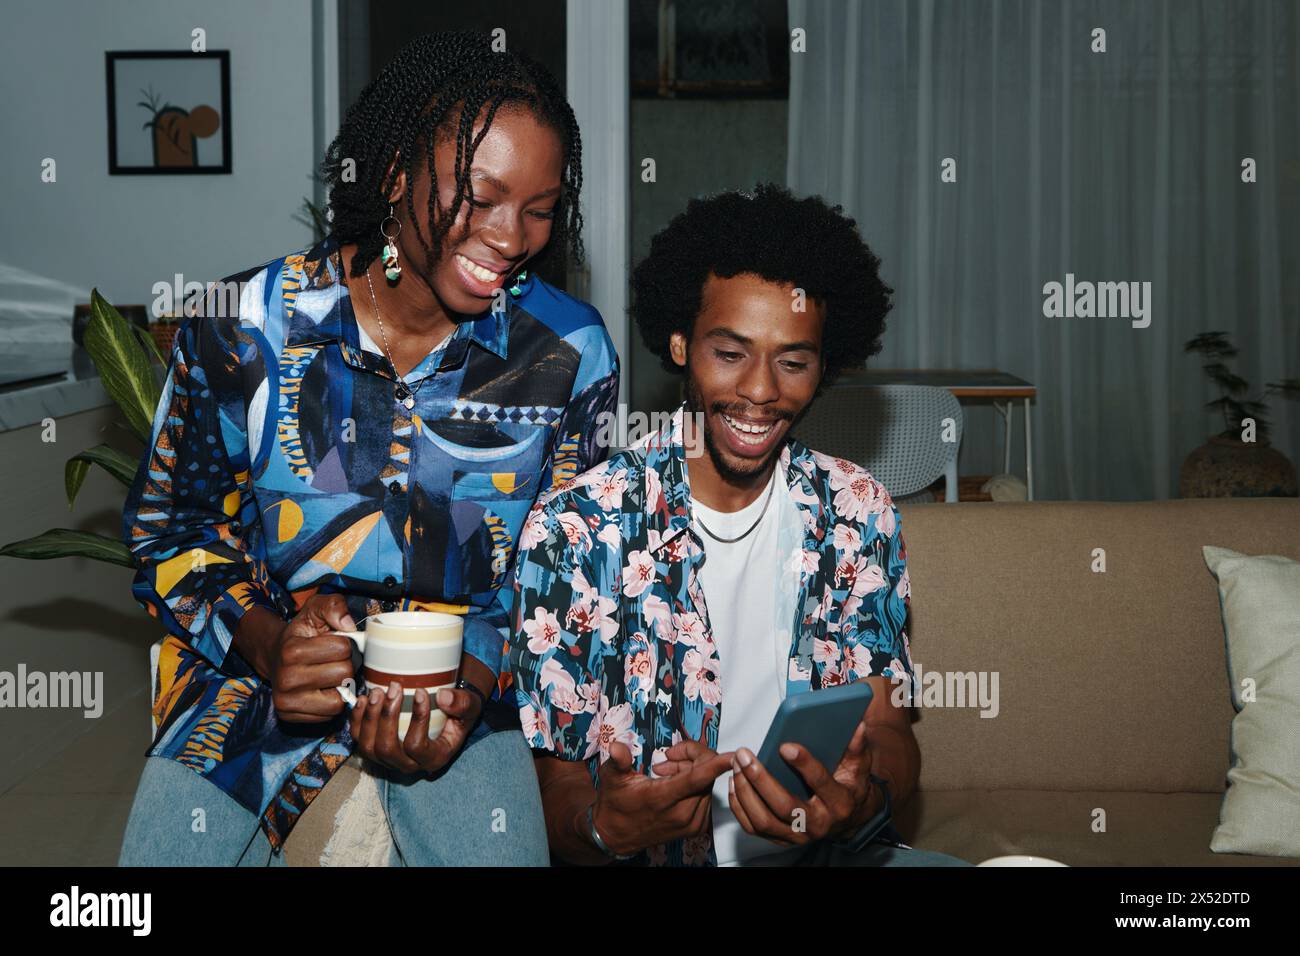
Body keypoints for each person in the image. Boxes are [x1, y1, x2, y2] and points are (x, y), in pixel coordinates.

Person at [118, 31, 618, 866]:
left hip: (461, 693)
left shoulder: (566, 352)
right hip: (249, 684)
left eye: (539, 209)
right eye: (480, 196)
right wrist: (271, 641)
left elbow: (565, 579)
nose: (510, 236)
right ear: (393, 173)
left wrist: (473, 684)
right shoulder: (247, 324)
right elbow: (170, 529)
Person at [508, 184, 971, 866]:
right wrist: (603, 827)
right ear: (678, 343)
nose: (760, 390)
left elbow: (891, 734)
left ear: (825, 364)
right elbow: (556, 792)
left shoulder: (858, 510)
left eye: (793, 361)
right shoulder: (574, 529)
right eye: (730, 353)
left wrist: (860, 799)